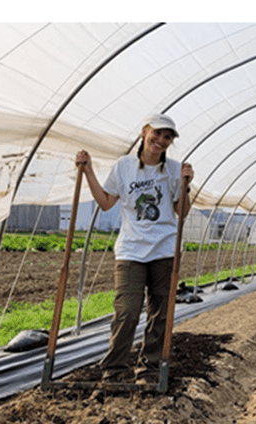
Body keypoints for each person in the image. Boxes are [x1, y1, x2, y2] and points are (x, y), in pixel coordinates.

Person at [75, 113, 193, 384]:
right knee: (127, 311)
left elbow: (181, 212)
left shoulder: (175, 169)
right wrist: (88, 171)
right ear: (144, 131)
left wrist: (186, 185)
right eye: (157, 133)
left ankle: (150, 369)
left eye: (167, 137)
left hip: (165, 249)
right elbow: (106, 202)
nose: (161, 140)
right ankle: (114, 369)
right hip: (130, 250)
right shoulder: (123, 166)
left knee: (160, 313)